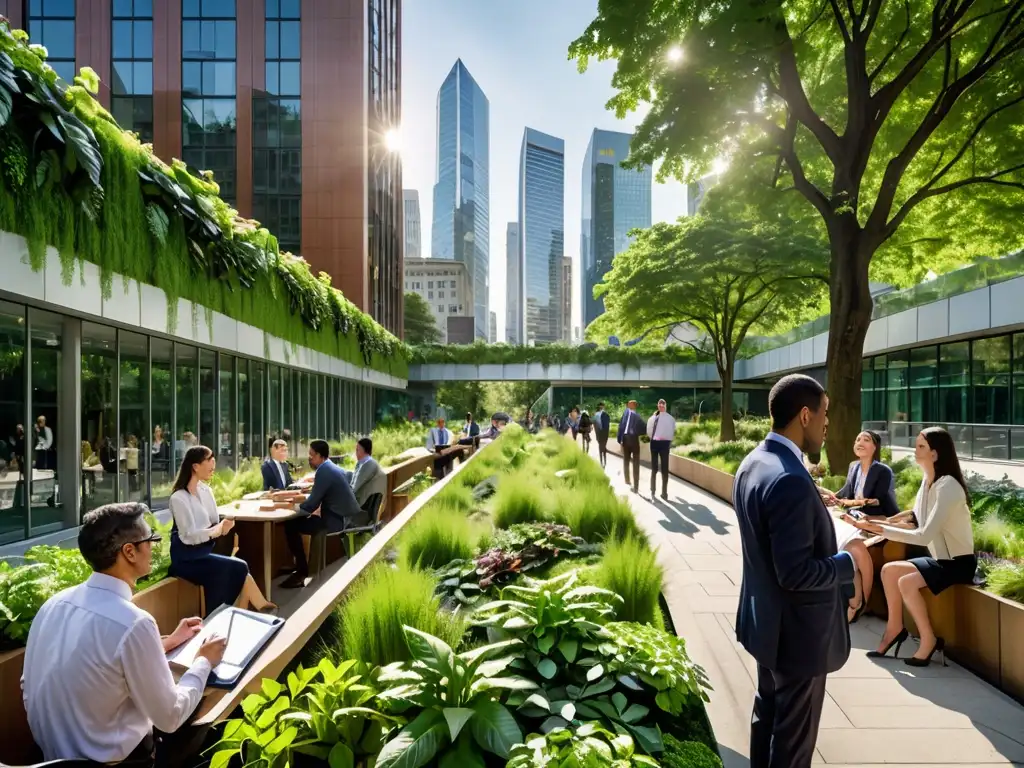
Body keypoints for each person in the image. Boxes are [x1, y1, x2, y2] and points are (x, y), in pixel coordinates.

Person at [22, 502, 227, 765]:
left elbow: (32, 683)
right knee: (213, 710)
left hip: (48, 759)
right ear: (129, 552)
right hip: (121, 761)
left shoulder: (54, 604)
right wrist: (204, 661)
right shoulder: (133, 623)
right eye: (150, 539)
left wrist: (168, 642)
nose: (154, 545)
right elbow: (170, 716)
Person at [733, 374, 855, 768]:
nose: (827, 423)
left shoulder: (754, 463)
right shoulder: (789, 479)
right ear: (805, 415)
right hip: (798, 640)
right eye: (825, 414)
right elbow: (797, 574)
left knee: (766, 718)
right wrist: (848, 562)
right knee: (792, 746)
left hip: (767, 629)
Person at [849, 427, 976, 667]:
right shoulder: (928, 483)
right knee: (889, 571)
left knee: (905, 581)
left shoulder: (948, 487)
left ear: (935, 454)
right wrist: (880, 523)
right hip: (940, 561)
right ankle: (895, 629)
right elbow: (915, 518)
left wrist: (882, 529)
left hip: (958, 564)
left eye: (921, 447)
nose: (915, 450)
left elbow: (923, 534)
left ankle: (928, 639)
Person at [168, 446, 275, 612]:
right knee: (239, 567)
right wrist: (216, 530)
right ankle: (226, 612)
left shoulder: (206, 490)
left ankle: (232, 611)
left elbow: (213, 522)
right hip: (186, 558)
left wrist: (224, 527)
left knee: (232, 570)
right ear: (195, 466)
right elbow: (187, 536)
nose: (214, 463)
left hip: (205, 552)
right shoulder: (178, 498)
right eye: (209, 460)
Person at [281, 440, 366, 588]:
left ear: (320, 456)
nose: (309, 458)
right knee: (303, 520)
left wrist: (292, 511)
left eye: (312, 455)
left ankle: (301, 572)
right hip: (344, 517)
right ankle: (299, 567)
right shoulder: (331, 466)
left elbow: (311, 504)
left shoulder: (323, 471)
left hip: (335, 522)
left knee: (291, 524)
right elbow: (346, 479)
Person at [647, 399, 676, 500]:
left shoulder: (654, 418)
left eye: (662, 405)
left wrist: (655, 437)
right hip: (661, 444)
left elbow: (649, 432)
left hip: (658, 444)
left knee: (658, 469)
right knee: (661, 469)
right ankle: (660, 491)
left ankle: (657, 490)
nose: (661, 407)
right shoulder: (668, 419)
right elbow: (673, 431)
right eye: (661, 405)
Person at [351, 437, 386, 508]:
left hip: (363, 506)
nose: (355, 453)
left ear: (363, 450)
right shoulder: (366, 463)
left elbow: (354, 488)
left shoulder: (368, 465)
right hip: (367, 503)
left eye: (357, 450)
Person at [617, 400, 643, 493]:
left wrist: (636, 432)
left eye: (630, 404)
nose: (628, 405)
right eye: (628, 404)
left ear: (634, 406)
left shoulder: (637, 416)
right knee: (626, 460)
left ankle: (636, 485)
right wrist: (619, 439)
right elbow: (621, 426)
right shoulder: (625, 413)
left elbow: (643, 428)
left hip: (634, 440)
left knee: (636, 463)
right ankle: (627, 479)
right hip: (625, 439)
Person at [593, 403, 611, 467]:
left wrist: (596, 435)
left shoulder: (596, 415)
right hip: (605, 433)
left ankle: (601, 461)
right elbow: (608, 425)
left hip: (599, 433)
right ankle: (605, 460)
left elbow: (595, 425)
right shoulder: (607, 414)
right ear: (603, 407)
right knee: (604, 445)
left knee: (600, 446)